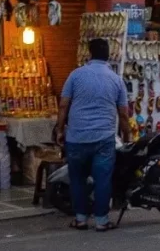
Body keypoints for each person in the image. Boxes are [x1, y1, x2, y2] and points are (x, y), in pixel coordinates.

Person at [56, 38, 131, 231]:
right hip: (104, 139)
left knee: (78, 179)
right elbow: (123, 113)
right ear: (108, 56)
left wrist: (59, 129)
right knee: (103, 179)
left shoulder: (75, 75)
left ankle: (80, 219)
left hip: (76, 137)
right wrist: (127, 137)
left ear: (89, 54)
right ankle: (101, 221)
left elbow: (64, 104)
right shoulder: (116, 80)